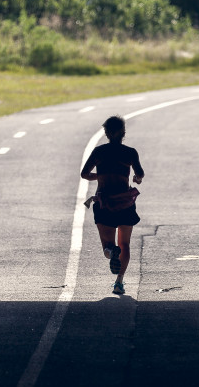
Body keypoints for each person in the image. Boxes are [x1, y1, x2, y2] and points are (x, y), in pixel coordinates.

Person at [81, 115, 144, 295]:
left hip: (105, 203)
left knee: (107, 246)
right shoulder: (130, 152)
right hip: (125, 202)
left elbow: (85, 174)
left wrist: (99, 176)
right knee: (125, 243)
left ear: (106, 133)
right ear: (123, 133)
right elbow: (140, 174)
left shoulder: (99, 152)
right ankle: (119, 282)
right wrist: (136, 179)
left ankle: (111, 252)